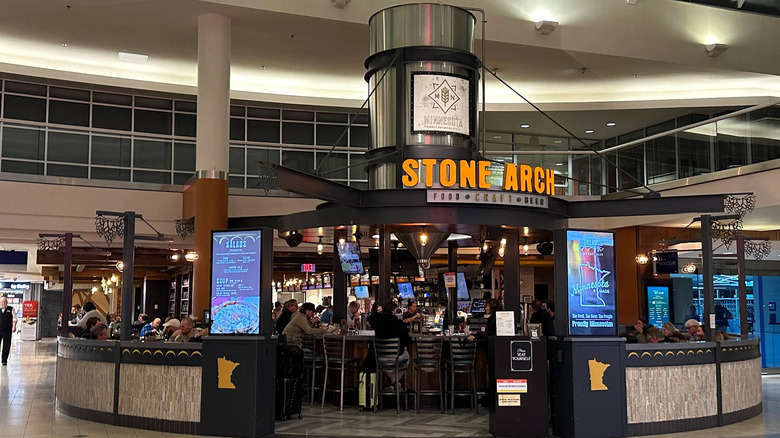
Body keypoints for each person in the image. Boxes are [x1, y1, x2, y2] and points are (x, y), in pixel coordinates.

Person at [370, 301, 411, 390]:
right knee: (407, 357)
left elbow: (371, 317)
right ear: (394, 311)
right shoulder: (399, 324)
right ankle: (396, 382)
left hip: (380, 357)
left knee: (387, 364)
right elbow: (407, 341)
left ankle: (394, 384)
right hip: (397, 357)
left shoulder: (377, 322)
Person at [0, 297, 17, 366]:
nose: (3, 303)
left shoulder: (11, 309)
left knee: (6, 345)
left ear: (7, 302)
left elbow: (14, 319)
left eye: (4, 302)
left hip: (7, 330)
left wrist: (14, 326)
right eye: (2, 302)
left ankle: (4, 360)